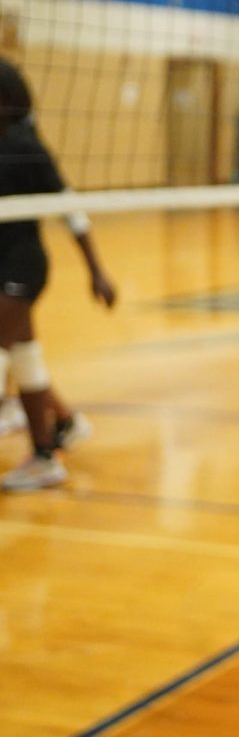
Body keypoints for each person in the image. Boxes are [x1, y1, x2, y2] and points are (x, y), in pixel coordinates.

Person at [0, 60, 116, 491]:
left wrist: (97, 271)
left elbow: (70, 209)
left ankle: (50, 445)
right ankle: (48, 449)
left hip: (22, 268)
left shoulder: (26, 146)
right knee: (25, 357)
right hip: (4, 266)